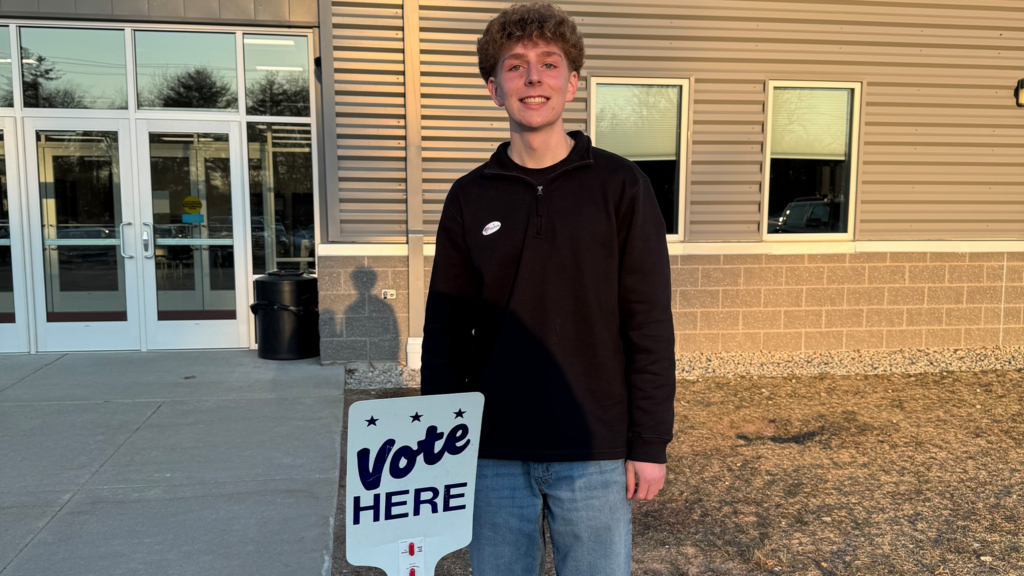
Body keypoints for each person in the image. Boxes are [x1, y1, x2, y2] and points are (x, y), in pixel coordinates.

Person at [420, 3, 675, 574]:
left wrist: (649, 442)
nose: (533, 77)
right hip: (492, 450)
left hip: (595, 448)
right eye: (515, 66)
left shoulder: (621, 186)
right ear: (494, 89)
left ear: (571, 82)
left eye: (549, 63)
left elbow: (649, 323)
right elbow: (445, 332)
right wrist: (440, 447)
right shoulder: (469, 197)